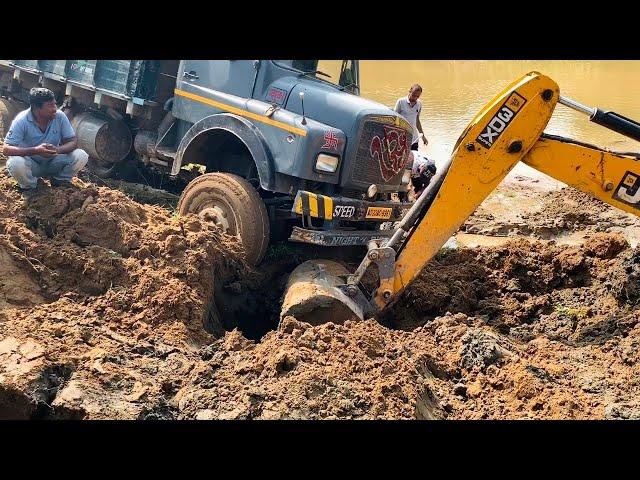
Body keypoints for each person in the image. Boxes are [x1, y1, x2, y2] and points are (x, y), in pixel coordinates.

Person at [2, 87, 88, 199]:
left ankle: (59, 181)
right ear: (36, 108)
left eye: (55, 104)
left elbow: (73, 141)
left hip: (53, 162)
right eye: (50, 105)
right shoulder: (21, 120)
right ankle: (29, 187)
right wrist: (36, 150)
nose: (54, 109)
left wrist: (58, 150)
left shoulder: (60, 117)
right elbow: (6, 149)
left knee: (81, 155)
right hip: (32, 166)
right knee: (14, 163)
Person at [394, 84, 428, 151]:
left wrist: (423, 136)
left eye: (417, 96)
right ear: (409, 91)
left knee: (414, 159)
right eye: (413, 95)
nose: (415, 98)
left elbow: (417, 120)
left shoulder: (419, 103)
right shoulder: (400, 102)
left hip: (414, 138)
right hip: (402, 138)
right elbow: (395, 119)